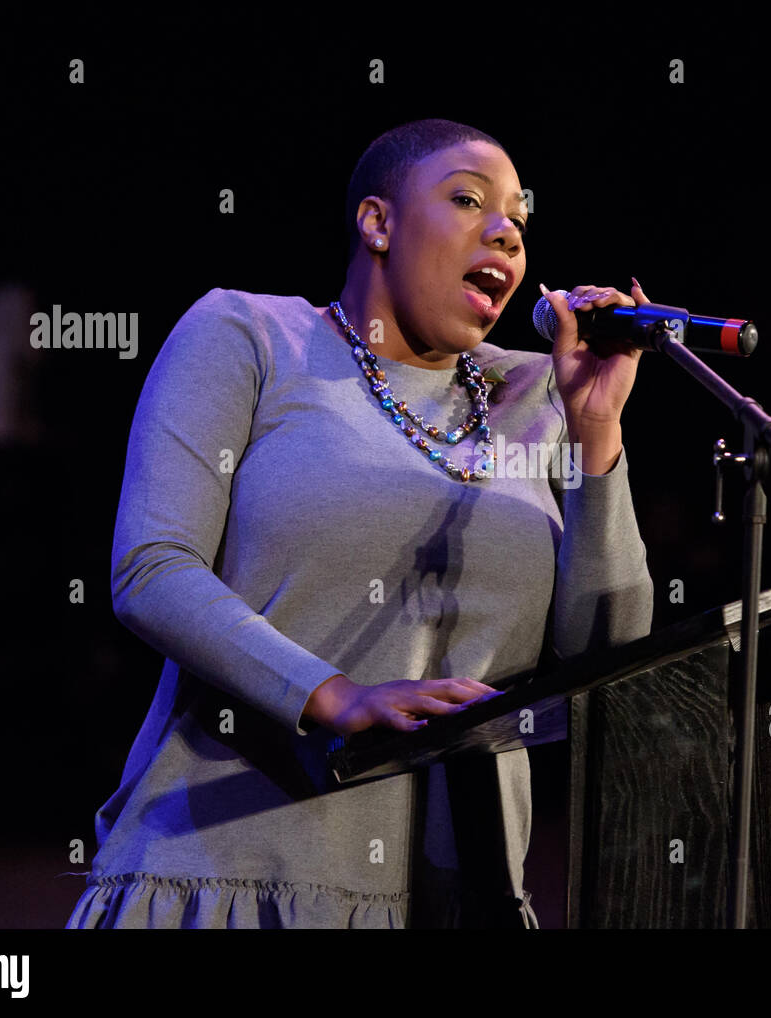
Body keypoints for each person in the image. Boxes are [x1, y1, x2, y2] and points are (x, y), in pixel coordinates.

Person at [64, 118, 656, 929]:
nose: (505, 233)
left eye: (519, 219)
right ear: (377, 222)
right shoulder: (251, 335)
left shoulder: (541, 394)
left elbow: (609, 658)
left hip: (463, 893)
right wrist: (333, 697)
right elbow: (152, 568)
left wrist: (597, 434)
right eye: (467, 200)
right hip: (232, 876)